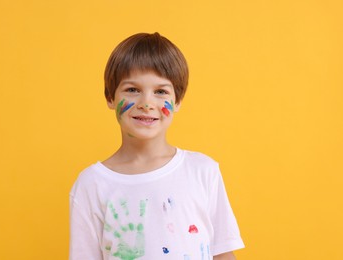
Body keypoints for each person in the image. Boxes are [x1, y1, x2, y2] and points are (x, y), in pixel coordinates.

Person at [69, 32, 245, 260]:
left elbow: (222, 253)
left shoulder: (203, 171)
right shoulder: (92, 184)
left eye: (160, 92)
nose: (146, 104)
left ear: (178, 100)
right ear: (110, 97)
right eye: (132, 90)